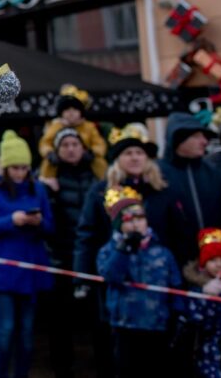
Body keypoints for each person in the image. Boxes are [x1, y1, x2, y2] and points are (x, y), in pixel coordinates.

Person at [74, 123, 187, 377]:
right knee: (118, 354)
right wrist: (82, 276)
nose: (135, 157)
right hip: (117, 282)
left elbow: (179, 234)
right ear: (117, 160)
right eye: (128, 153)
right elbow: (87, 235)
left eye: (140, 153)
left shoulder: (164, 190)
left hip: (158, 284)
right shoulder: (100, 192)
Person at [0, 131, 54, 378]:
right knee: (5, 329)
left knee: (27, 332)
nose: (20, 173)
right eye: (16, 168)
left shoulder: (37, 188)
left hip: (31, 268)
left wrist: (38, 222)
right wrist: (11, 221)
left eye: (25, 168)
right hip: (1, 270)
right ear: (5, 167)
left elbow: (51, 227)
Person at [96, 186, 182, 378]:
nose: (136, 224)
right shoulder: (109, 251)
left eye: (140, 218)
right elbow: (111, 276)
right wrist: (124, 248)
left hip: (157, 325)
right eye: (129, 219)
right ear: (119, 224)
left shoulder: (162, 251)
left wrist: (178, 314)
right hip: (126, 325)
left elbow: (175, 284)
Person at [40, 128, 99, 378]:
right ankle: (62, 367)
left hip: (91, 256)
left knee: (96, 317)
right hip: (61, 256)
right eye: (65, 145)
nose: (71, 149)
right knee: (59, 319)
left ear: (84, 148)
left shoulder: (97, 177)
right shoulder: (47, 179)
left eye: (75, 144)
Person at [159, 112, 221, 260]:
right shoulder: (158, 174)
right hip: (174, 262)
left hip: (216, 262)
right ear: (178, 139)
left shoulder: (212, 172)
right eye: (196, 136)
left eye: (204, 137)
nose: (204, 142)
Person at [177, 228, 221, 378]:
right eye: (213, 260)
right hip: (207, 357)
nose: (219, 265)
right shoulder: (197, 292)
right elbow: (192, 323)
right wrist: (205, 298)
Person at [38, 85, 108, 180]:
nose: (71, 113)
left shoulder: (88, 126)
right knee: (48, 163)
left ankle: (105, 182)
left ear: (81, 112)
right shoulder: (56, 126)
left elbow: (100, 144)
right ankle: (46, 182)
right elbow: (45, 143)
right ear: (61, 113)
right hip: (60, 158)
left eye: (75, 109)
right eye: (67, 110)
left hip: (85, 158)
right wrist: (50, 153)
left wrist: (92, 153)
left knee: (99, 161)